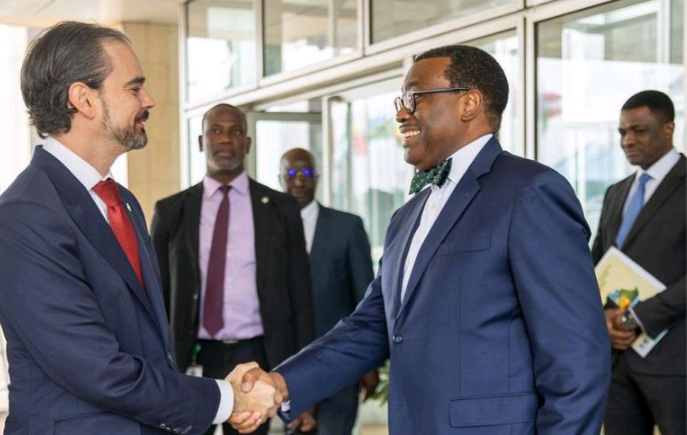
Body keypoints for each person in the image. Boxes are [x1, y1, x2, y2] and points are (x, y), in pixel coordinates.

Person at [236, 44, 612, 435]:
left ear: (469, 104)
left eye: (415, 97)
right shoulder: (406, 216)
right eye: (401, 101)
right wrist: (281, 383)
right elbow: (371, 326)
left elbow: (577, 355)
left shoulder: (530, 192)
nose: (401, 113)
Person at [0, 21, 278, 435]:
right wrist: (225, 399)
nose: (149, 100)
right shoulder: (27, 215)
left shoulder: (122, 201)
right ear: (84, 99)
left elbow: (146, 345)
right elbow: (97, 370)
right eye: (134, 88)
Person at [151, 104, 315, 435]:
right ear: (201, 141)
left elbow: (301, 297)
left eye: (235, 131)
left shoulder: (281, 208)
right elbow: (155, 295)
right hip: (191, 356)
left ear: (248, 143)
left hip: (256, 356)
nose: (225, 139)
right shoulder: (171, 211)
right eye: (216, 131)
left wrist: (304, 384)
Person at [592, 90, 685, 435]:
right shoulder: (616, 192)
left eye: (638, 130)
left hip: (676, 359)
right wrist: (602, 317)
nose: (627, 140)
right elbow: (597, 262)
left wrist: (637, 318)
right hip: (618, 360)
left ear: (668, 128)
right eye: (622, 132)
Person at [279, 148, 379, 434]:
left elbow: (366, 297)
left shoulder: (347, 227)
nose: (300, 180)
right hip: (288, 370)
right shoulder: (268, 230)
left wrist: (369, 363)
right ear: (280, 179)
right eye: (292, 173)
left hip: (340, 365)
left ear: (318, 178)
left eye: (307, 173)